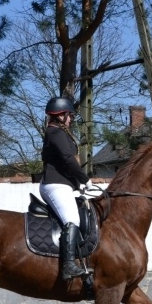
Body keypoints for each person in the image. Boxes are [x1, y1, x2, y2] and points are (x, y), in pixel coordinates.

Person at [39, 96, 92, 281]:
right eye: (69, 115)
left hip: (62, 184)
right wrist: (84, 179)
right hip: (55, 184)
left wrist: (77, 185)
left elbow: (64, 163)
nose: (70, 119)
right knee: (72, 219)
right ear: (60, 116)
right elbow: (68, 160)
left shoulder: (58, 132)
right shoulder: (56, 133)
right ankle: (68, 265)